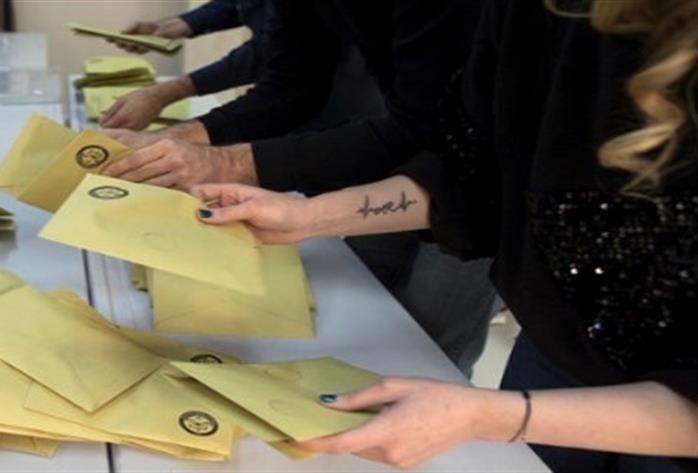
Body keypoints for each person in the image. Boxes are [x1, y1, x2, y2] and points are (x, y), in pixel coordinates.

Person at [190, 0, 698, 470]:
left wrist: (489, 416)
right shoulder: (540, 15)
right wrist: (309, 216)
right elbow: (471, 174)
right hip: (560, 349)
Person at [103, 0, 498, 375]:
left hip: (485, 173)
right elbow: (294, 80)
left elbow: (429, 130)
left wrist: (227, 163)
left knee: (433, 343)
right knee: (364, 297)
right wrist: (188, 136)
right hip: (400, 148)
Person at [102, 0, 384, 135]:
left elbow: (277, 51)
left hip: (344, 108)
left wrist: (168, 92)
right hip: (293, 98)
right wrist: (178, 25)